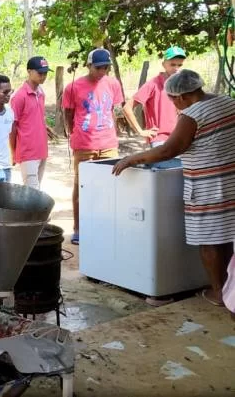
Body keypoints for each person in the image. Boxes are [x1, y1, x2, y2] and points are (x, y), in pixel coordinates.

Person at [112, 70, 235, 306]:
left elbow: (169, 150)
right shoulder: (227, 101)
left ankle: (219, 293)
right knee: (228, 237)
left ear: (178, 97)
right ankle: (231, 292)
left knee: (209, 241)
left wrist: (132, 159)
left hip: (207, 186)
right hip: (230, 180)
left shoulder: (192, 115)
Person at [62, 48, 124, 245]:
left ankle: (104, 225)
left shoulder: (113, 84)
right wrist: (74, 134)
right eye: (98, 68)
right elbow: (68, 114)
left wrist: (113, 131)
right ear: (89, 66)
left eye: (106, 68)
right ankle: (78, 227)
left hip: (108, 144)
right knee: (81, 186)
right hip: (84, 144)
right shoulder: (73, 87)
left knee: (109, 187)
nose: (102, 71)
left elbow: (114, 110)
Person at [123, 46, 186, 148]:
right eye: (172, 64)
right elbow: (127, 107)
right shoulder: (153, 84)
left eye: (179, 65)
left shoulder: (179, 85)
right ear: (164, 64)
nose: (176, 68)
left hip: (178, 137)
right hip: (160, 140)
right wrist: (140, 131)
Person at [10, 56, 51, 189]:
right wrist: (13, 152)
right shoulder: (19, 97)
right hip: (27, 151)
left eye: (45, 73)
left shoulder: (41, 93)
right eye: (40, 73)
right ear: (29, 71)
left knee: (37, 193)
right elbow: (13, 126)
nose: (43, 76)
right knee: (32, 192)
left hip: (41, 149)